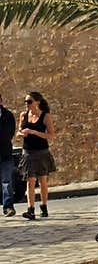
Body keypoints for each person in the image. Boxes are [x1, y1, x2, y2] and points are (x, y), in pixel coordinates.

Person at [17, 91, 55, 219]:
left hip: (42, 151)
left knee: (42, 180)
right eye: (25, 102)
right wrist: (23, 134)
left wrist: (34, 132)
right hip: (28, 152)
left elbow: (50, 135)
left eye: (29, 101)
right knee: (30, 180)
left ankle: (44, 206)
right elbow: (18, 132)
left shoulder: (45, 116)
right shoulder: (23, 115)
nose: (26, 104)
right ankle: (30, 209)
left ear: (37, 102)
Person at [0, 91, 17, 217]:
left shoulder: (8, 115)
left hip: (5, 153)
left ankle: (8, 207)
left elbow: (10, 132)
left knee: (7, 182)